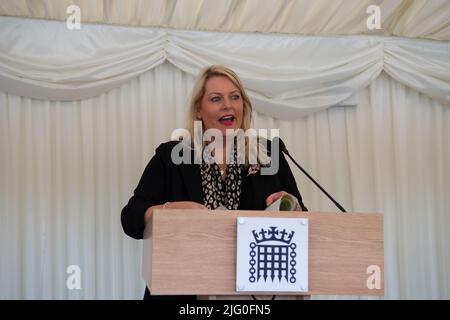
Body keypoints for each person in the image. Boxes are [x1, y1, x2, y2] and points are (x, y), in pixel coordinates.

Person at [121, 65, 307, 300]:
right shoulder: (172, 156)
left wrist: (289, 204)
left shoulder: (269, 155)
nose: (228, 105)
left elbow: (303, 220)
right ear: (199, 109)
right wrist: (167, 210)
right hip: (183, 293)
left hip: (254, 295)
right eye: (216, 98)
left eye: (235, 97)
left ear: (243, 106)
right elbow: (130, 218)